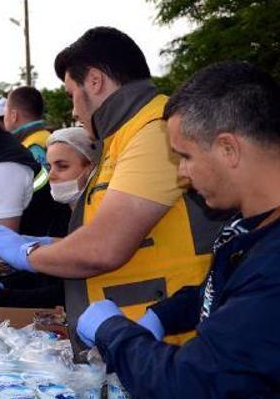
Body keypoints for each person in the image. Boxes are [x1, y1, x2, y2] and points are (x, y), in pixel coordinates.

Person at [0, 27, 227, 351]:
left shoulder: (155, 133)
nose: (72, 110)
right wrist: (50, 244)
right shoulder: (121, 138)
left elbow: (104, 247)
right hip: (132, 340)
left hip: (170, 344)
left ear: (95, 81)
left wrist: (29, 254)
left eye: (71, 94)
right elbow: (122, 231)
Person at [76, 62, 280, 397]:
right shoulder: (250, 228)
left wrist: (114, 332)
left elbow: (190, 382)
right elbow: (222, 293)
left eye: (185, 156)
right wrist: (162, 315)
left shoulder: (273, 264)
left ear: (229, 149)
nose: (183, 174)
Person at [0, 127, 96, 308]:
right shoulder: (57, 211)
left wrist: (3, 296)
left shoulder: (97, 216)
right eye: (49, 167)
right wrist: (6, 285)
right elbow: (43, 279)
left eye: (62, 166)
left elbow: (66, 291)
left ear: (90, 167)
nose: (52, 175)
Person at [4, 86, 51, 171]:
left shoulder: (30, 147)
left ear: (14, 115)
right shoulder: (48, 136)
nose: (4, 118)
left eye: (5, 112)